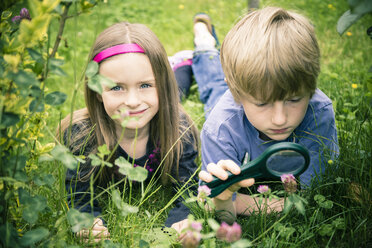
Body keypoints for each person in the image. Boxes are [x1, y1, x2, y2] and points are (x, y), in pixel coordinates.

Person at [172, 7, 339, 224]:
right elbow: (215, 203)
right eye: (262, 103)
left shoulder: (320, 112)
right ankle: (203, 42)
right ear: (236, 94)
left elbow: (316, 193)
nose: (280, 119)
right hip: (224, 99)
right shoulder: (222, 127)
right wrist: (279, 205)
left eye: (294, 99)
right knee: (213, 85)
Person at [58, 22, 199, 241]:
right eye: (116, 87)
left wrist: (179, 225)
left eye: (145, 85)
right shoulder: (82, 136)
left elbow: (187, 192)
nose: (132, 102)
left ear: (162, 85)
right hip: (151, 104)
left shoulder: (179, 131)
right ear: (96, 90)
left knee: (178, 91)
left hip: (163, 103)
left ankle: (184, 63)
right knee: (150, 102)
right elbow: (80, 197)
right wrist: (87, 222)